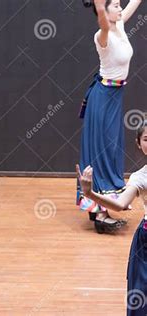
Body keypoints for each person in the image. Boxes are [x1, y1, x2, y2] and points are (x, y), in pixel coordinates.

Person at [77, 0, 142, 233]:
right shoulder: (102, 35)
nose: (119, 6)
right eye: (114, 4)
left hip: (114, 95)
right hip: (103, 97)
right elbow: (103, 23)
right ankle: (99, 212)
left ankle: (102, 206)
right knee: (101, 149)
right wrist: (100, 6)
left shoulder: (120, 24)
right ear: (103, 10)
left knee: (110, 148)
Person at [78, 120, 147, 315]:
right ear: (138, 143)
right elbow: (120, 204)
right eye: (146, 139)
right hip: (145, 241)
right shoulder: (140, 177)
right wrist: (90, 194)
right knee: (141, 299)